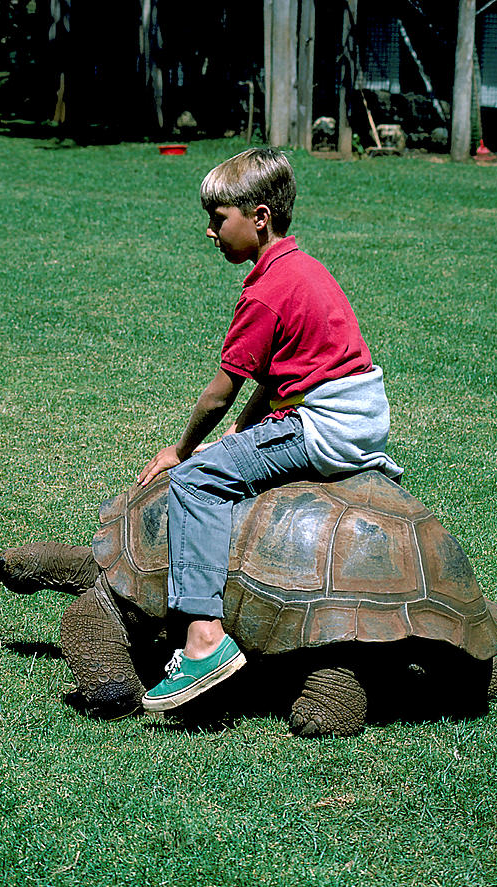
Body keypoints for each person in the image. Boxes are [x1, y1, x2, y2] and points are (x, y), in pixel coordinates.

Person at [138, 148, 402, 712]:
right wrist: (239, 439)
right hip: (357, 419)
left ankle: (204, 639)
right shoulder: (302, 269)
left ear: (259, 217)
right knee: (226, 457)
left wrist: (182, 449)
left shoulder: (263, 292)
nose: (210, 231)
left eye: (218, 218)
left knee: (196, 481)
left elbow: (221, 391)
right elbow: (273, 381)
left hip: (325, 425)